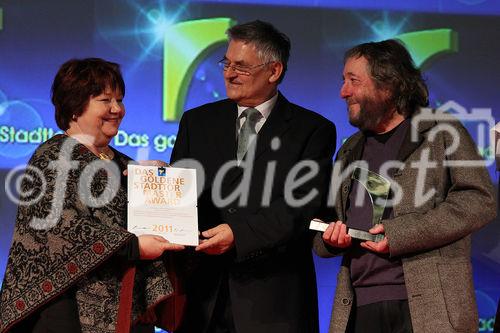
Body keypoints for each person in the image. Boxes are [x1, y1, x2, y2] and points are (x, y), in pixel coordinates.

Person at [313, 39, 496, 333]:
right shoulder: (349, 151)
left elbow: (479, 200)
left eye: (353, 81)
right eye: (343, 81)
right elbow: (329, 222)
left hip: (429, 309)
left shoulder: (442, 132)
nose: (343, 92)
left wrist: (401, 234)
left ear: (389, 85)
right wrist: (330, 239)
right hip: (360, 307)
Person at [171, 20, 336, 333]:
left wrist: (238, 234)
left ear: (274, 71)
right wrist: (158, 185)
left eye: (242, 67)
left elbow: (300, 209)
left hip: (274, 302)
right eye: (227, 63)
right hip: (202, 300)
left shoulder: (312, 130)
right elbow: (179, 200)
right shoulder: (197, 122)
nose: (229, 74)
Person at [0, 58, 184, 333]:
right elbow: (62, 230)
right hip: (64, 311)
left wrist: (162, 181)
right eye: (105, 100)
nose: (117, 109)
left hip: (126, 307)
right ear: (75, 107)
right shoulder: (52, 157)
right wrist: (135, 247)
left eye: (120, 100)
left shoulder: (124, 164)